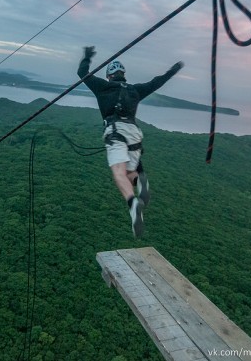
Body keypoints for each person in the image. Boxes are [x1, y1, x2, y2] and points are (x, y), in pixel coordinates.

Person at [78, 46, 184, 237]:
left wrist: (87, 57)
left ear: (110, 76)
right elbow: (156, 82)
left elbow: (82, 73)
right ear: (123, 75)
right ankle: (139, 179)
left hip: (115, 131)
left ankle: (132, 203)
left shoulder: (103, 86)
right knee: (130, 173)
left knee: (118, 174)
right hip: (134, 133)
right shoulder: (135, 90)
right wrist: (173, 70)